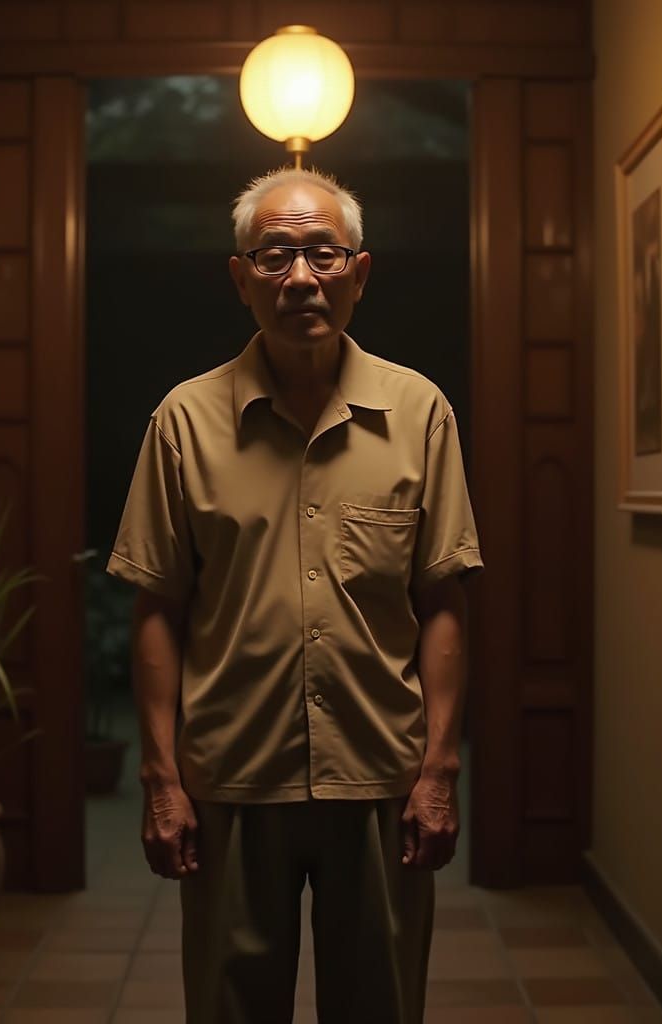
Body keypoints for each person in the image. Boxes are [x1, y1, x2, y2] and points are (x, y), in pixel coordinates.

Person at [106, 166, 483, 1024]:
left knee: (379, 1003)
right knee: (230, 1005)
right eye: (276, 256)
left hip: (378, 772)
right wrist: (162, 780)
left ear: (359, 272)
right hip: (231, 775)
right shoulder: (184, 423)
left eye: (323, 253)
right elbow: (157, 608)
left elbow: (444, 601)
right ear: (241, 278)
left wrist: (440, 768)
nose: (301, 277)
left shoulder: (419, 413)